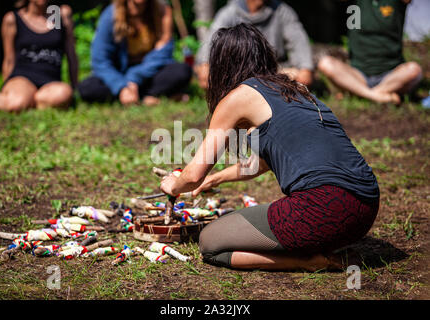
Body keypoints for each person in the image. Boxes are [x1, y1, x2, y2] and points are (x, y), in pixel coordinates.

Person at [160, 24, 380, 271]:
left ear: (223, 65)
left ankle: (309, 262)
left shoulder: (237, 97)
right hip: (365, 208)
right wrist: (216, 179)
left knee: (211, 242)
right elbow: (261, 162)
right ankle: (323, 246)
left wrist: (173, 184)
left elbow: (192, 175)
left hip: (324, 210)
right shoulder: (294, 89)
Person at [78, 0, 192, 106]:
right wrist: (121, 86)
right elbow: (100, 61)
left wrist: (134, 78)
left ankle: (135, 96)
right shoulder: (110, 16)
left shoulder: (162, 12)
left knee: (182, 71)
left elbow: (162, 55)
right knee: (87, 88)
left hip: (149, 73)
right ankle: (147, 96)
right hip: (119, 74)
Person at [317, 0, 422, 104]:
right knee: (326, 64)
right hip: (358, 74)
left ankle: (360, 93)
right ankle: (376, 96)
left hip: (392, 74)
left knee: (414, 70)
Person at [0, 0, 77, 111]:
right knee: (17, 103)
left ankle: (24, 101)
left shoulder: (58, 15)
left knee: (62, 95)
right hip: (22, 77)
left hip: (50, 82)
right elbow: (9, 60)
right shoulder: (14, 19)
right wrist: (6, 87)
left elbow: (71, 54)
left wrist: (75, 87)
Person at [194, 0, 314, 90]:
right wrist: (206, 66)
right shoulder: (229, 13)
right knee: (208, 77)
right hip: (238, 71)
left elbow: (305, 74)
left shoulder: (282, 12)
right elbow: (205, 64)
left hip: (274, 71)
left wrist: (302, 70)